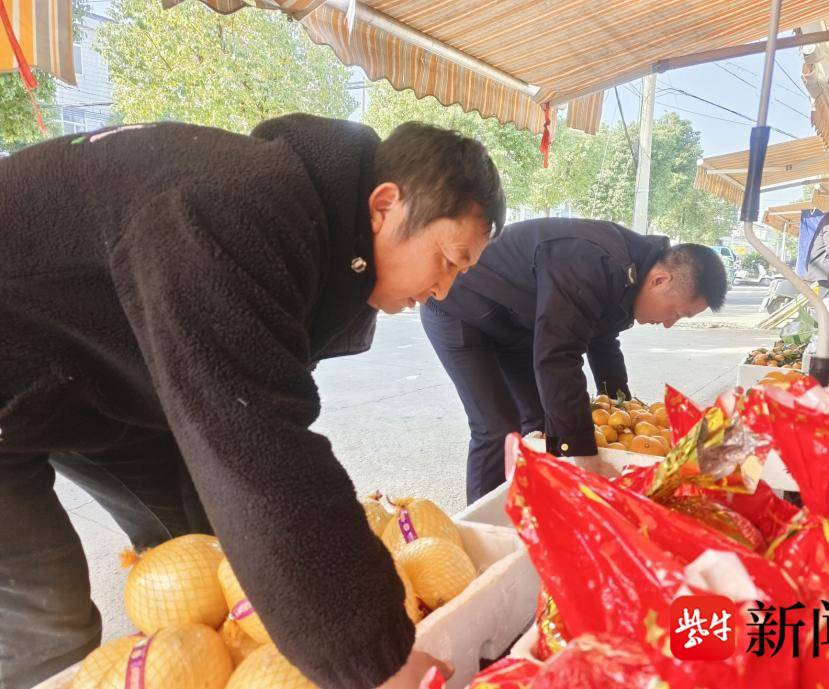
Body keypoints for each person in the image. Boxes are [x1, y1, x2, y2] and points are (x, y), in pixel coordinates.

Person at [0, 115, 504, 689]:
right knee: (50, 621)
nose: (443, 290)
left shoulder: (319, 240)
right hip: (16, 370)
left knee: (206, 559)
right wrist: (378, 653)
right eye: (449, 260)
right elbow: (256, 444)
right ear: (385, 205)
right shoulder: (232, 210)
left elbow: (242, 448)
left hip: (89, 383)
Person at [421, 218, 728, 503]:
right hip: (458, 308)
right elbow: (558, 355)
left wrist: (620, 407)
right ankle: (480, 521)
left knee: (543, 420)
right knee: (496, 426)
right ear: (660, 280)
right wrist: (581, 450)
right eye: (677, 312)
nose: (670, 324)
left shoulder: (630, 275)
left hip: (513, 324)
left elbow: (602, 340)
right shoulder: (591, 260)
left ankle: (535, 504)